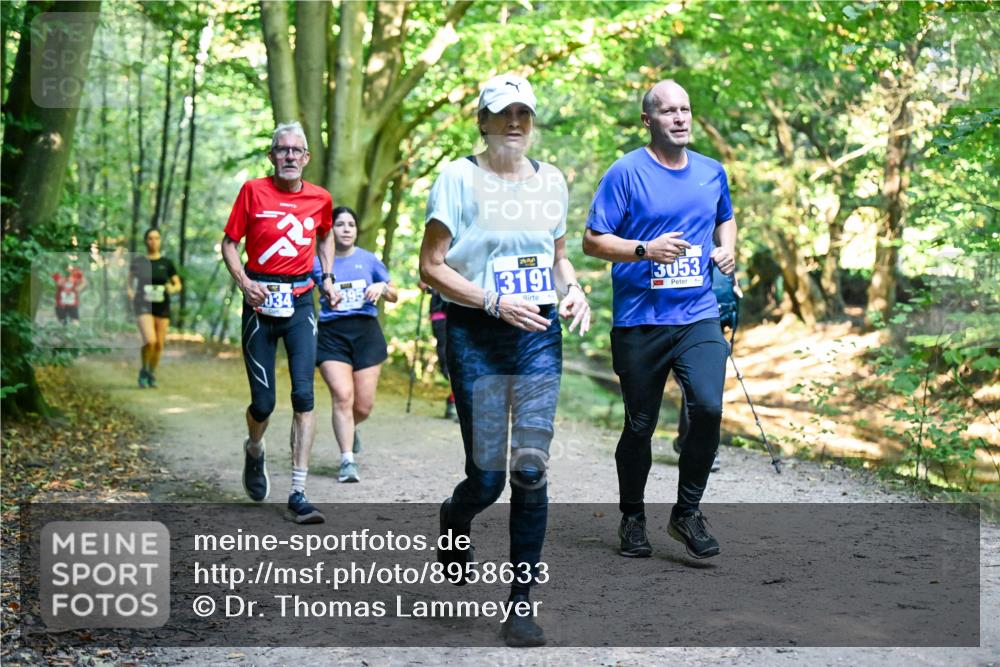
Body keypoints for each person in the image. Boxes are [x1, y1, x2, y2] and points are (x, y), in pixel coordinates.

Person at [419, 73, 590, 647]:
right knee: (489, 476)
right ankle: (457, 515)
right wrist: (492, 299)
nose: (515, 122)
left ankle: (521, 602)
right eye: (503, 112)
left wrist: (574, 289)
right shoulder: (457, 178)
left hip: (538, 332)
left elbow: (559, 256)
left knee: (530, 469)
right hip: (475, 335)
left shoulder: (554, 181)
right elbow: (432, 266)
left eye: (524, 113)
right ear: (483, 120)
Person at [583, 79, 737, 560]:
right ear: (648, 121)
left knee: (709, 408)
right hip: (639, 319)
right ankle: (632, 517)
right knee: (640, 425)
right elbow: (593, 240)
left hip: (697, 313)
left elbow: (725, 218)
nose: (680, 118)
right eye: (668, 111)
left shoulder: (712, 172)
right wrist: (645, 249)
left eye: (685, 109)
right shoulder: (625, 172)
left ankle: (686, 511)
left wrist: (727, 248)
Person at [221, 121, 338, 524]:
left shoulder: (321, 198)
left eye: (296, 151)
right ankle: (254, 449)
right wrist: (244, 282)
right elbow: (229, 243)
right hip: (259, 303)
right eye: (282, 150)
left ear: (306, 158)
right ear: (272, 156)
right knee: (264, 403)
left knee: (304, 397)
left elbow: (325, 237)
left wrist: (328, 280)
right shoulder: (253, 191)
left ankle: (298, 492)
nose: (289, 156)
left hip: (301, 302)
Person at [312, 205, 397, 484]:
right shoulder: (319, 263)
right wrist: (325, 288)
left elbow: (394, 293)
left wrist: (382, 288)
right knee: (342, 396)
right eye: (340, 224)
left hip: (365, 334)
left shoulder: (369, 260)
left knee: (363, 407)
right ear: (330, 230)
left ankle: (350, 427)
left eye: (351, 224)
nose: (346, 229)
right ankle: (347, 460)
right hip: (332, 334)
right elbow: (300, 289)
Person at [128, 229, 182, 388]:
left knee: (159, 344)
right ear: (146, 241)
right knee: (150, 340)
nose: (153, 241)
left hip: (162, 306)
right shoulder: (138, 261)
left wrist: (171, 289)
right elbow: (129, 282)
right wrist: (131, 294)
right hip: (143, 305)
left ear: (160, 240)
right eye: (150, 238)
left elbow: (177, 284)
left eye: (156, 238)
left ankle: (150, 373)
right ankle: (144, 370)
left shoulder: (167, 263)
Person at [419, 282, 457, 420]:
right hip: (440, 312)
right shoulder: (437, 259)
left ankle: (455, 401)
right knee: (446, 359)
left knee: (462, 358)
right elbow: (423, 282)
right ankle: (454, 401)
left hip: (464, 310)